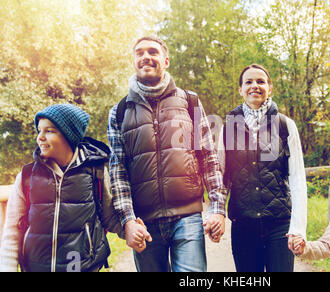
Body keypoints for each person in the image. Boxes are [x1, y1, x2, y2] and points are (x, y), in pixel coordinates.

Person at [107, 35, 227, 272]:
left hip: (188, 218)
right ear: (133, 61)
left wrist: (218, 209)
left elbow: (208, 158)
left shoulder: (190, 101)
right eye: (139, 53)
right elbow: (118, 171)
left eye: (152, 52)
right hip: (144, 222)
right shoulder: (119, 111)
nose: (146, 57)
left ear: (166, 60)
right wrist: (128, 221)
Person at [0, 104, 124, 272]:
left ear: (69, 136)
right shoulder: (27, 176)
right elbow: (12, 231)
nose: (40, 137)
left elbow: (110, 216)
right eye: (39, 131)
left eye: (49, 131)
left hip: (82, 265)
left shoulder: (96, 171)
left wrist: (131, 230)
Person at [219, 64, 308, 272]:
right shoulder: (228, 127)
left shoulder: (286, 125)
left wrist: (298, 229)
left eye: (261, 81)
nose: (254, 86)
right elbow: (222, 177)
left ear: (270, 88)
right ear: (240, 90)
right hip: (243, 225)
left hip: (280, 225)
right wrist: (218, 214)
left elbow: (297, 179)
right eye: (248, 82)